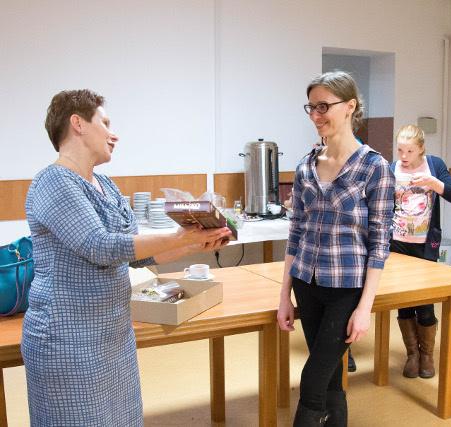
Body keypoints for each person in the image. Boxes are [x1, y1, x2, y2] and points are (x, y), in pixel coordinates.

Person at [22, 89, 232, 426]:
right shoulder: (54, 181)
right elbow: (99, 246)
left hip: (113, 333)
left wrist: (194, 243)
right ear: (77, 123)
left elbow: (133, 255)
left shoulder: (105, 184)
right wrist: (180, 236)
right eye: (104, 123)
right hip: (67, 338)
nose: (114, 134)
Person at [277, 71, 395, 426]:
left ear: (350, 106)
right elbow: (296, 232)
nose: (316, 115)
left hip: (346, 289)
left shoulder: (374, 167)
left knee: (313, 379)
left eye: (324, 106)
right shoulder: (306, 165)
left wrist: (365, 307)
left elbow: (379, 244)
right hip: (306, 283)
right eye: (311, 107)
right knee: (329, 379)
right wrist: (284, 296)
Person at [389, 124, 451, 379]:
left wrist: (434, 183)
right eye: (400, 150)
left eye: (409, 151)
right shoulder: (392, 168)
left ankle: (427, 355)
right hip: (397, 242)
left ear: (421, 149)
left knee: (425, 301)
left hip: (425, 243)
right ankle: (412, 354)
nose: (404, 156)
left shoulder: (434, 165)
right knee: (404, 301)